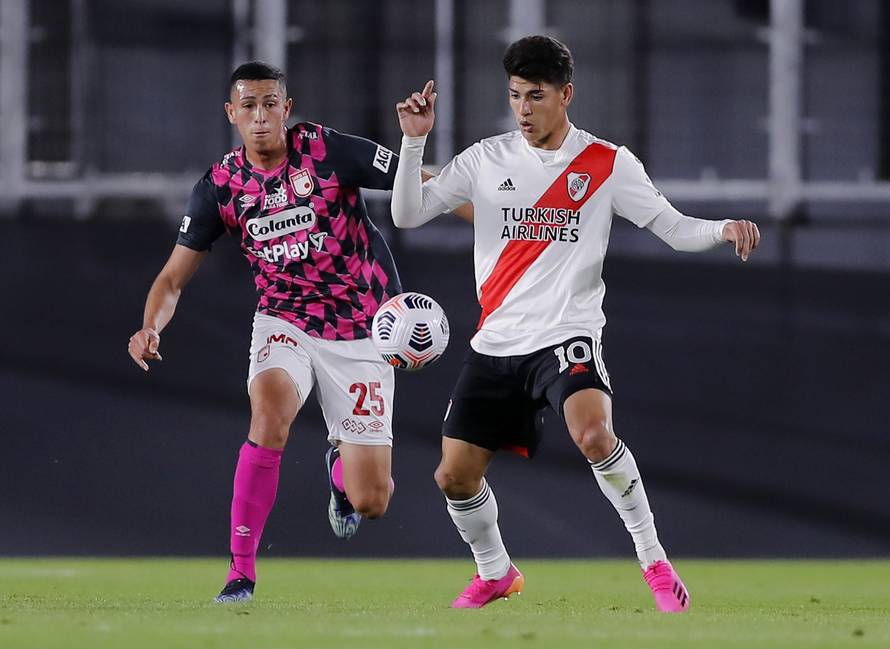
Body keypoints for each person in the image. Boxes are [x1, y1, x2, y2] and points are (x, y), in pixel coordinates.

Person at [391, 35, 760, 612]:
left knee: (592, 434)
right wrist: (414, 143)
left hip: (567, 334)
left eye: (535, 96)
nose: (523, 110)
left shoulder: (607, 163)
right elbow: (407, 214)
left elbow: (672, 226)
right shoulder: (486, 159)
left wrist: (721, 229)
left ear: (566, 95)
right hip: (496, 343)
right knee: (453, 478)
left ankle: (655, 562)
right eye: (515, 96)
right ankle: (495, 572)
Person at [127, 61, 431, 603]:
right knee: (267, 415)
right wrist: (149, 326)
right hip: (284, 320)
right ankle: (240, 573)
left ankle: (341, 470)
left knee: (372, 500)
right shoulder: (221, 187)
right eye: (248, 106)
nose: (260, 116)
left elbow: (424, 184)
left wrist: (493, 214)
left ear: (287, 109)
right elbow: (173, 278)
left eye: (270, 104)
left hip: (363, 326)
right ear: (231, 114)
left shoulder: (327, 151)